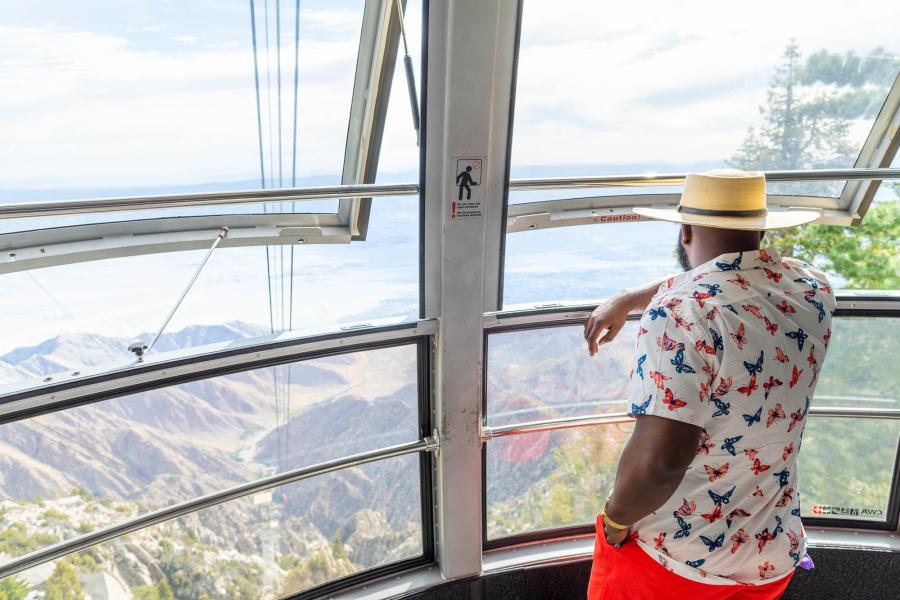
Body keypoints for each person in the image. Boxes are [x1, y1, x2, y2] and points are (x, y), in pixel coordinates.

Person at [583, 169, 834, 599]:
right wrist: (629, 298)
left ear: (684, 231)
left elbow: (660, 464)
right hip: (770, 550)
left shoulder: (678, 311)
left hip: (677, 563)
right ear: (760, 227)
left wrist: (615, 523)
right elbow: (735, 276)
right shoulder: (810, 286)